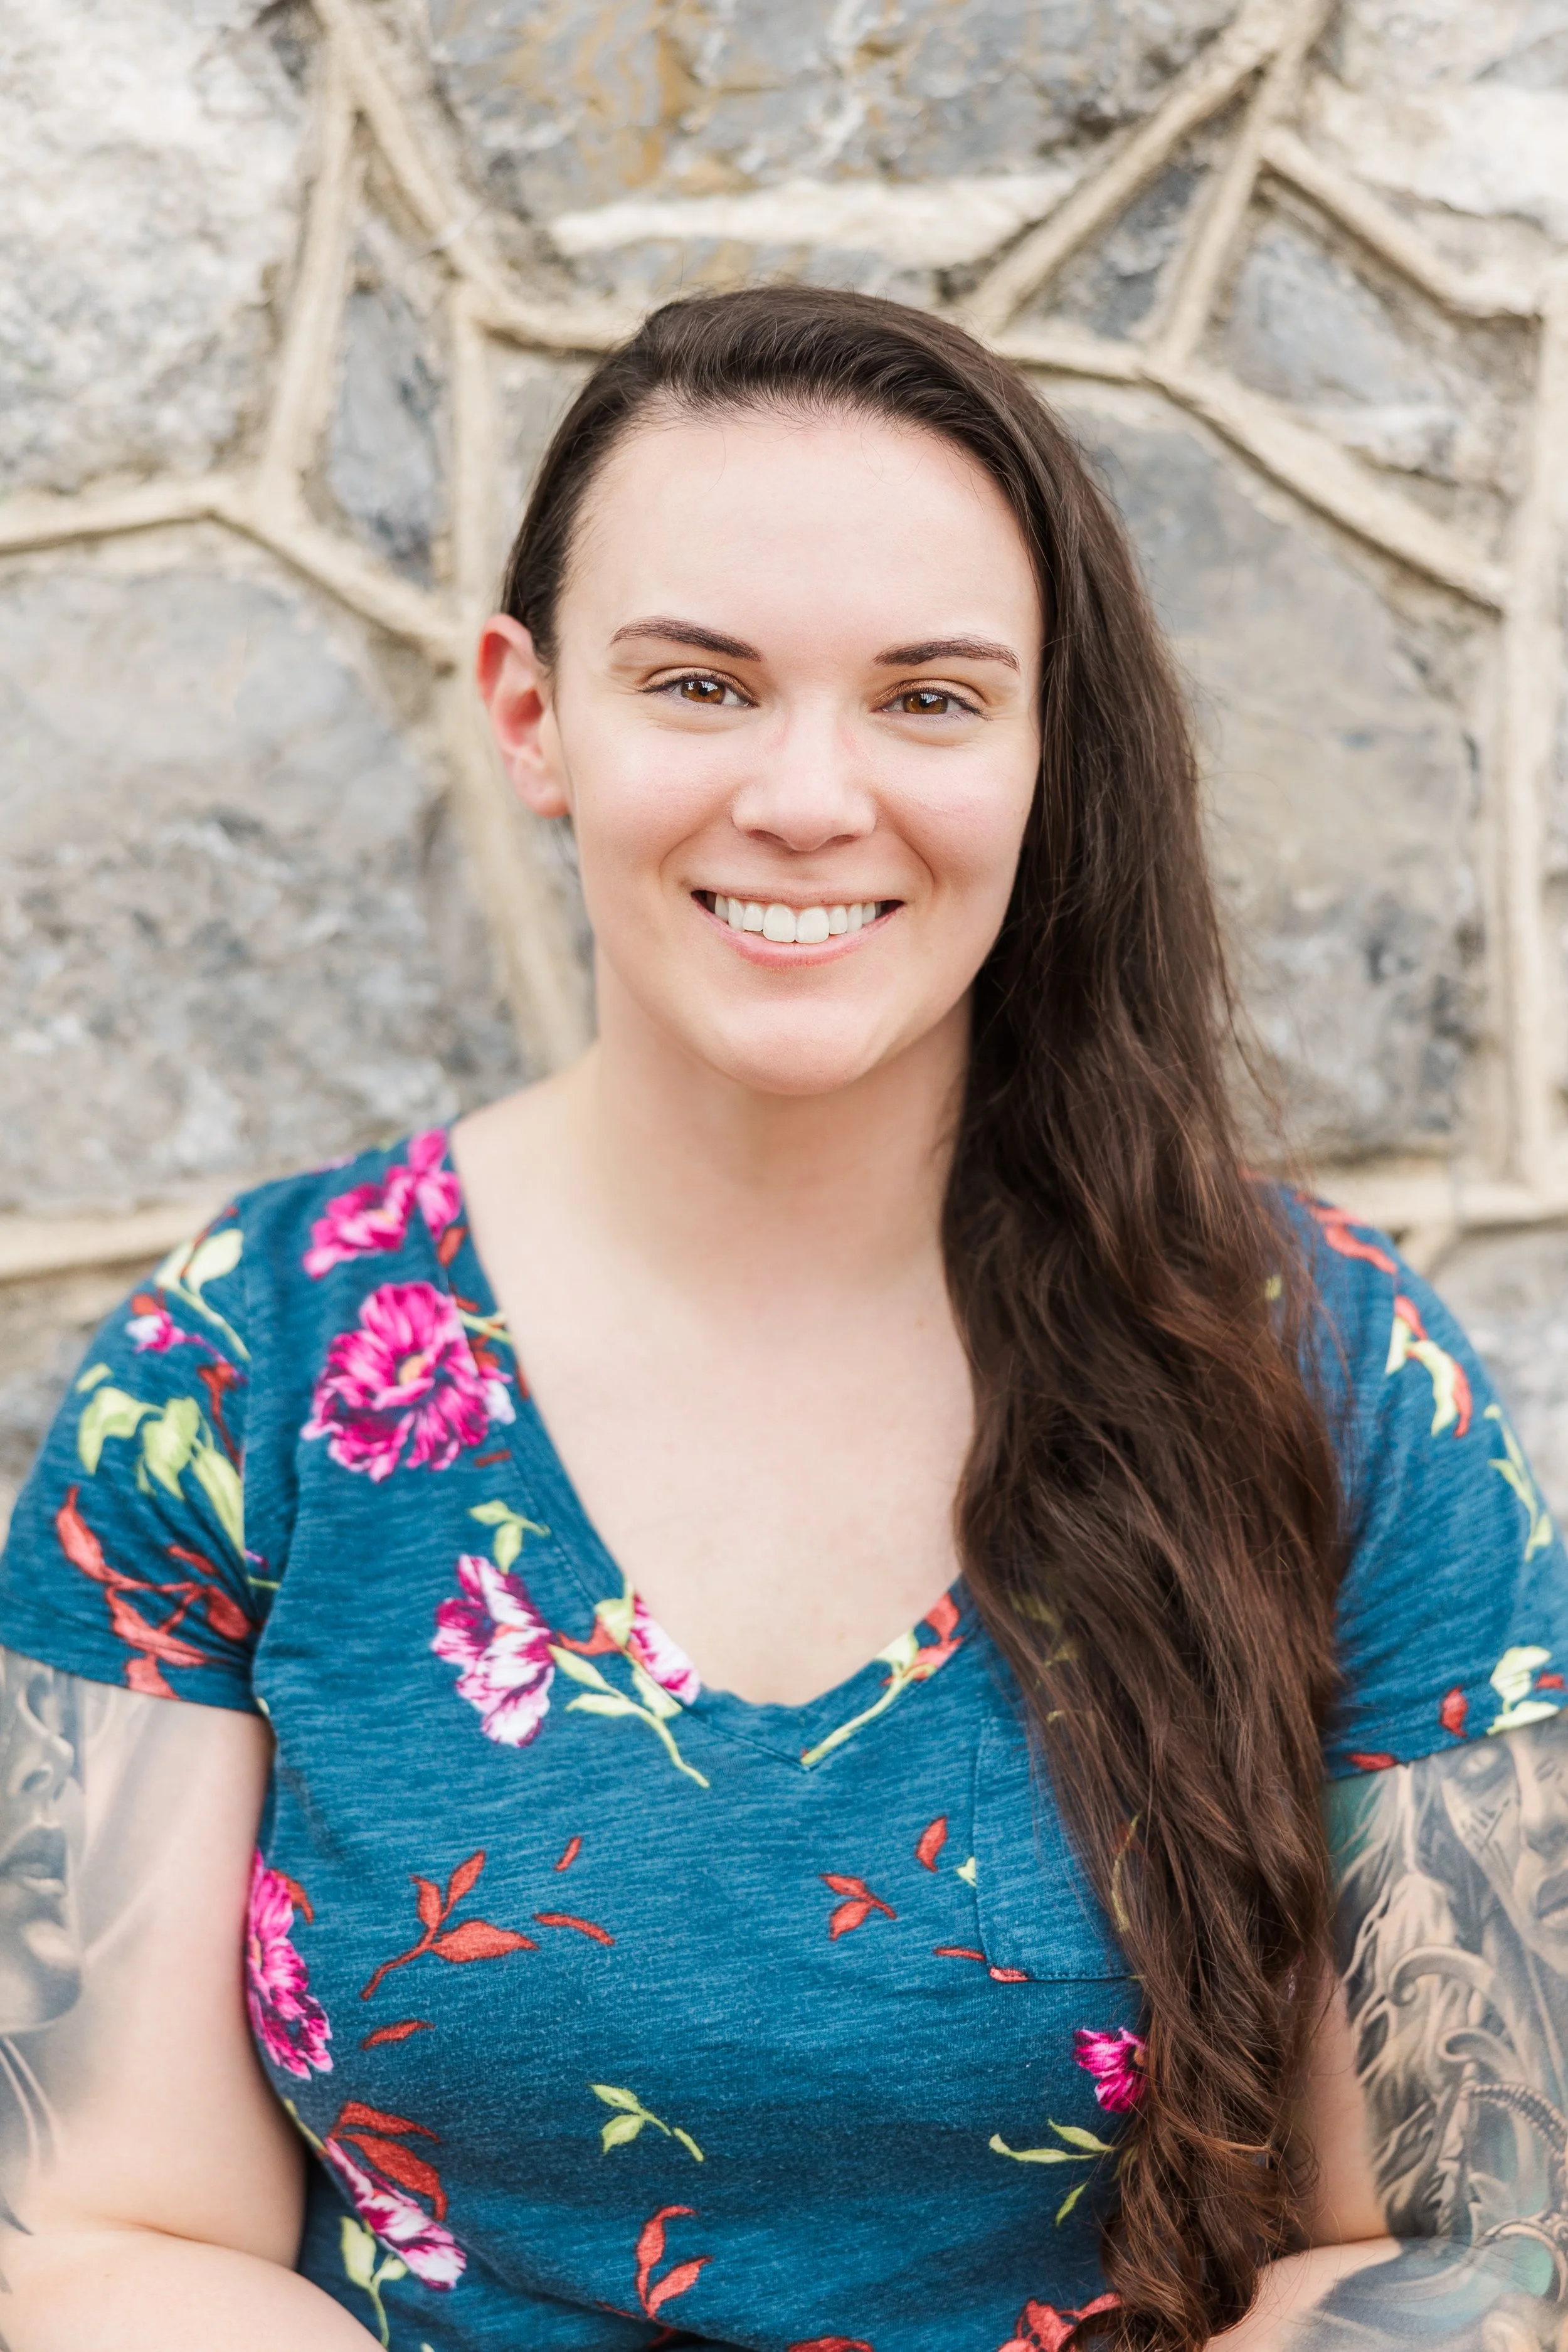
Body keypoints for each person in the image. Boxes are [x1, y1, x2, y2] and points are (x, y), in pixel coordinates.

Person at [0, 284, 1565, 2352]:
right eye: (699, 683)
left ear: (1040, 747)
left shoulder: (1335, 1378)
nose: (810, 797)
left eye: (927, 697)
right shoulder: (235, 1381)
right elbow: (108, 2232)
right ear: (531, 710)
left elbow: (1466, 2245)